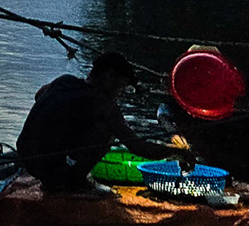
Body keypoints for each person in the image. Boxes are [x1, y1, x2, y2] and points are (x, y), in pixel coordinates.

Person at [16, 52, 191, 195]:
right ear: (110, 76)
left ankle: (60, 173)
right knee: (106, 132)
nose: (121, 94)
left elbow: (39, 95)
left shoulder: (64, 81)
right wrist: (176, 152)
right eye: (122, 87)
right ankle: (74, 183)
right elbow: (139, 148)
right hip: (53, 172)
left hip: (27, 157)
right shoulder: (104, 105)